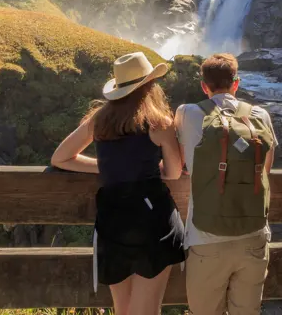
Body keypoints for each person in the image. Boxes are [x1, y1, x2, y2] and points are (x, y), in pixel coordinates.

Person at [51, 52, 185, 315]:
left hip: (113, 222)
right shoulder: (159, 123)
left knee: (122, 310)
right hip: (152, 221)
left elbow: (60, 158)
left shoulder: (99, 120)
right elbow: (173, 173)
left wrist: (108, 168)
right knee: (146, 311)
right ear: (149, 85)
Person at [175, 52, 278, 315]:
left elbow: (179, 160)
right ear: (236, 83)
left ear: (204, 86)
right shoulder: (261, 116)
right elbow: (265, 170)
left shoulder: (187, 113)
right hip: (253, 236)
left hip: (206, 239)